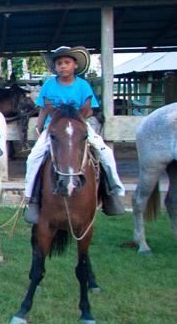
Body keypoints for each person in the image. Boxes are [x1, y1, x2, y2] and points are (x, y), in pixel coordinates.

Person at [24, 46, 126, 223]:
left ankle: (113, 193)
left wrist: (75, 120)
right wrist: (39, 127)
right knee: (33, 158)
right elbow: (44, 109)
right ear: (55, 67)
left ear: (75, 65)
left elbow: (89, 110)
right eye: (59, 63)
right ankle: (31, 199)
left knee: (106, 153)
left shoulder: (82, 85)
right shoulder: (49, 84)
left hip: (78, 126)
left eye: (67, 63)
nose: (63, 66)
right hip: (54, 128)